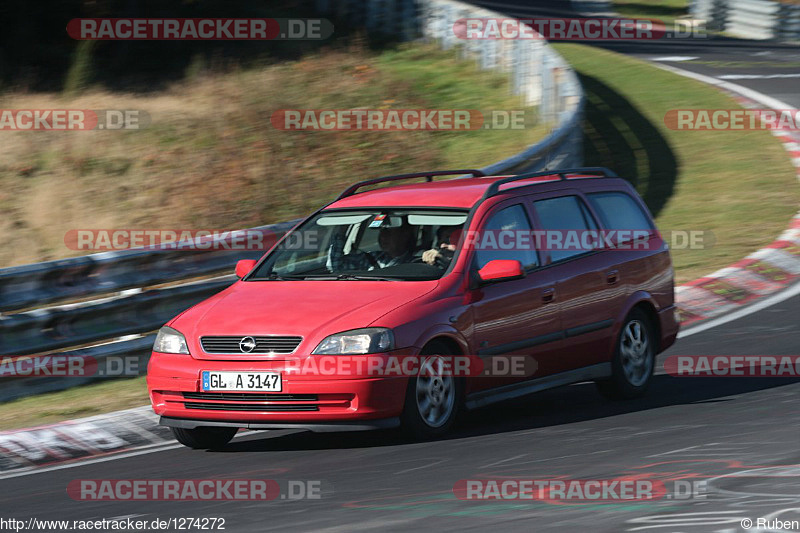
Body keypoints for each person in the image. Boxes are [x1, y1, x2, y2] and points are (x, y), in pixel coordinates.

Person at [328, 223, 415, 271]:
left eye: (388, 232)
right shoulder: (371, 258)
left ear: (405, 235)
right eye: (381, 232)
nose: (382, 237)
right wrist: (342, 229)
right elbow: (336, 266)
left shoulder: (415, 263)